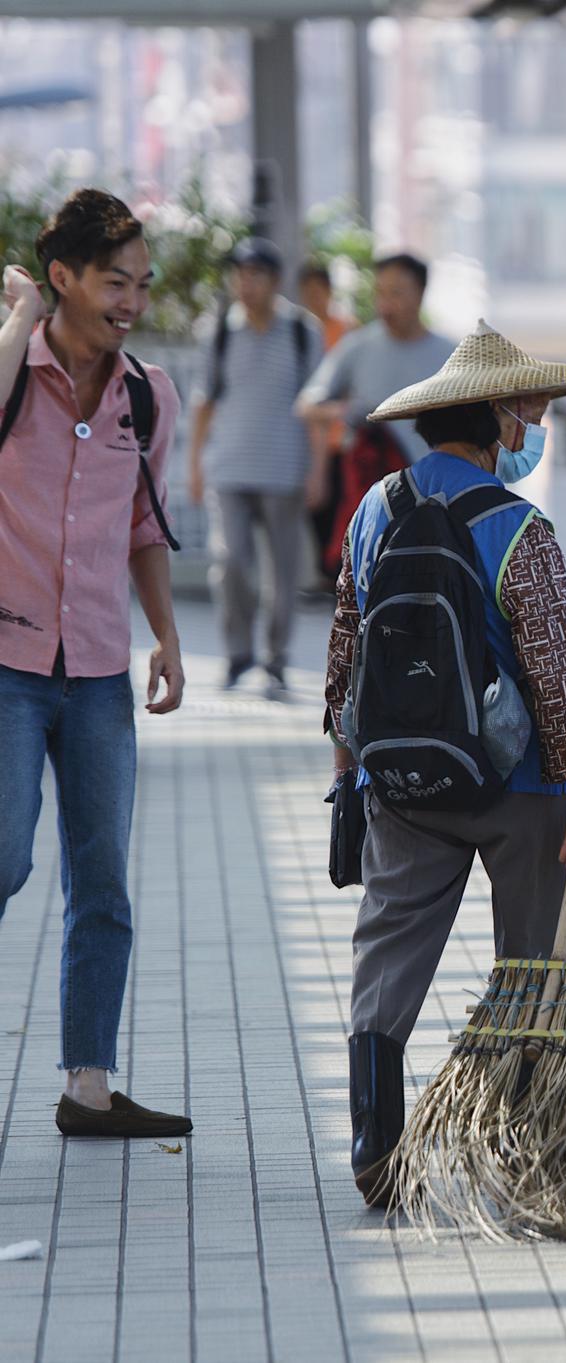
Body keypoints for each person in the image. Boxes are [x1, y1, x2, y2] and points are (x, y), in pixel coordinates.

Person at [324, 322, 566, 1207]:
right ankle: (528, 1149)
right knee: (532, 958)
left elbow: (345, 654)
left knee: (388, 949)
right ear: (494, 416)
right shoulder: (519, 526)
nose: (534, 423)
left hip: (401, 783)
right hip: (520, 788)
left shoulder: (376, 508)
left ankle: (376, 1143)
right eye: (527, 407)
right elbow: (558, 673)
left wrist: (349, 774)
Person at [0, 190, 189, 1138]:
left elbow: (145, 523)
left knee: (102, 880)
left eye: (143, 284)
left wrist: (167, 634)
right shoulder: (12, 369)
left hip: (100, 669)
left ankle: (88, 1086)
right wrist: (17, 322)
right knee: (2, 853)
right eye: (117, 281)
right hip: (7, 658)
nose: (133, 301)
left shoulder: (147, 392)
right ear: (63, 276)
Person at [185, 237, 322, 696]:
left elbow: (316, 406)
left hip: (285, 470)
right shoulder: (220, 330)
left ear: (275, 280)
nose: (246, 283)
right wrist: (196, 466)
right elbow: (203, 402)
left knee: (282, 575)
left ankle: (276, 659)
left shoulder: (303, 331)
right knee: (230, 564)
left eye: (255, 274)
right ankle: (238, 653)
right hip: (229, 470)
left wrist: (318, 467)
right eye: (240, 274)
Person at [296, 253, 457, 577]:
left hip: (435, 500)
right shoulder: (357, 346)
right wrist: (344, 411)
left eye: (397, 292)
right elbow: (306, 405)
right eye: (380, 292)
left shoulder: (451, 355)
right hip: (370, 500)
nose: (386, 303)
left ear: (421, 293)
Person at [297, 258, 355, 580]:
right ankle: (327, 574)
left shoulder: (347, 331)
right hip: (304, 439)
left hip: (340, 439)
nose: (313, 296)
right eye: (308, 291)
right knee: (315, 509)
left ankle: (339, 575)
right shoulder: (297, 332)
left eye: (318, 290)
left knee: (341, 508)